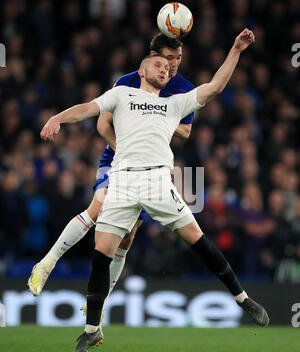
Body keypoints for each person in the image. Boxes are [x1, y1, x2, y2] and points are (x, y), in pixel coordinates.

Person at [32, 28, 270, 352]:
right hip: (123, 182)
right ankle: (90, 331)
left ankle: (243, 298)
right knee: (101, 254)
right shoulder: (121, 94)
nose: (166, 69)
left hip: (159, 183)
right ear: (142, 71)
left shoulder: (174, 104)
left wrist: (236, 49)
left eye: (170, 65)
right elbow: (88, 109)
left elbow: (215, 87)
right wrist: (57, 117)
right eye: (159, 65)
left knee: (199, 241)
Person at [27, 34, 194, 307]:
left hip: (150, 166)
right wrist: (124, 151)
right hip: (118, 157)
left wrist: (158, 114)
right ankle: (46, 264)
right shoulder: (127, 82)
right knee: (97, 207)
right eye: (168, 58)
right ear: (152, 55)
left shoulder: (184, 88)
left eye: (178, 58)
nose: (173, 64)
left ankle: (100, 305)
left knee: (127, 237)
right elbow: (103, 124)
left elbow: (186, 132)